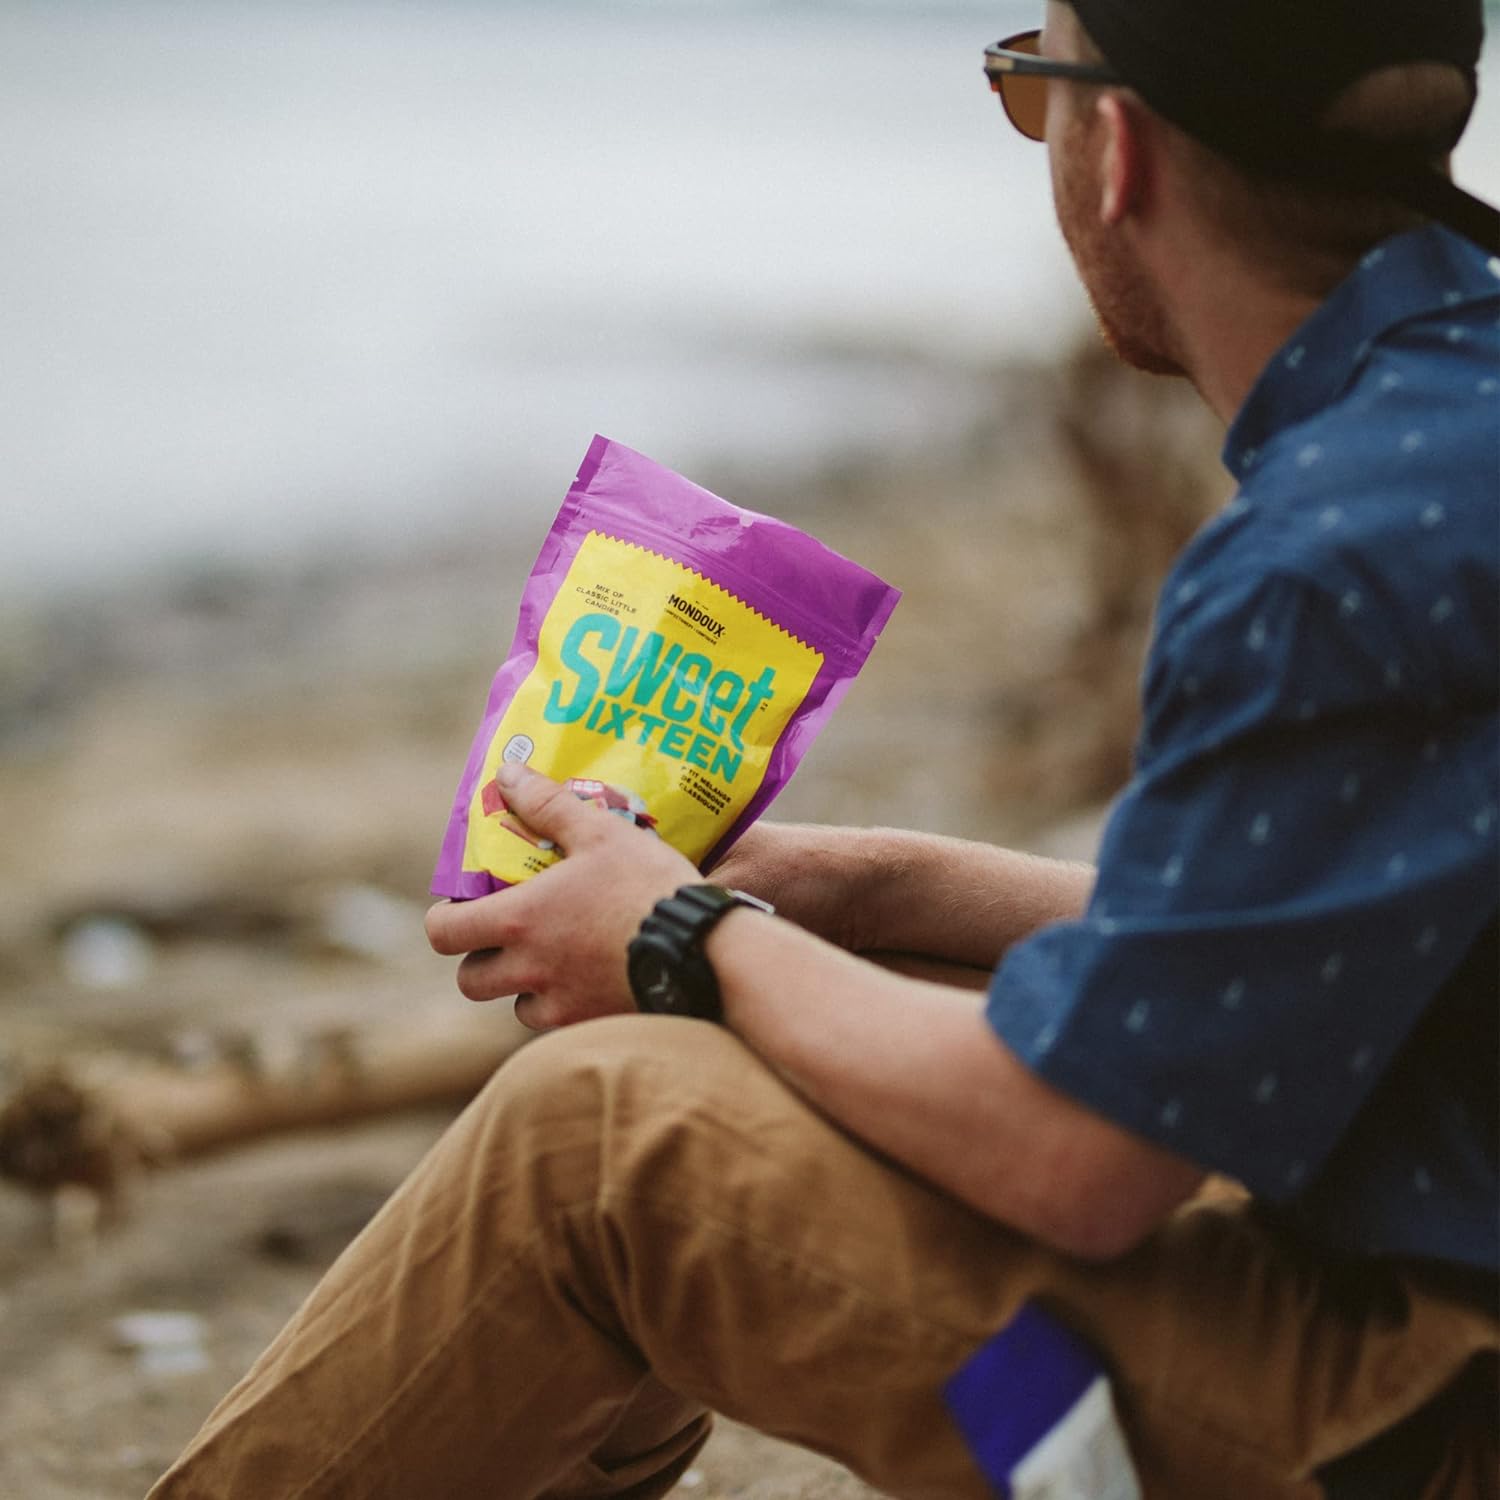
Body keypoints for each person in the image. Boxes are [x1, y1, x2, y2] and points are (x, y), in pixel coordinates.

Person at [148, 1, 1499, 1495]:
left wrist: (682, 936)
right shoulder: (1453, 429)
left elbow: (1084, 1159)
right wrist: (873, 886)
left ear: (1115, 147)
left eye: (1029, 88)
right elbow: (1326, 940)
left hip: (1416, 1420)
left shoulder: (1331, 557)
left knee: (589, 1146)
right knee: (805, 1007)